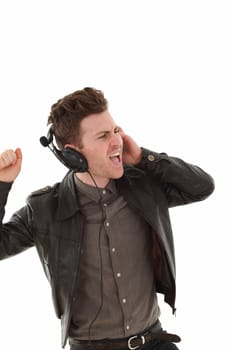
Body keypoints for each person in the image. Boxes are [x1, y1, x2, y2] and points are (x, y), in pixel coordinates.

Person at [0, 87, 214, 350]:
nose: (117, 141)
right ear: (72, 154)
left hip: (153, 341)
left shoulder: (144, 186)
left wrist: (143, 158)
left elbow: (203, 186)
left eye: (115, 131)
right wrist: (2, 185)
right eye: (103, 136)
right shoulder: (44, 209)